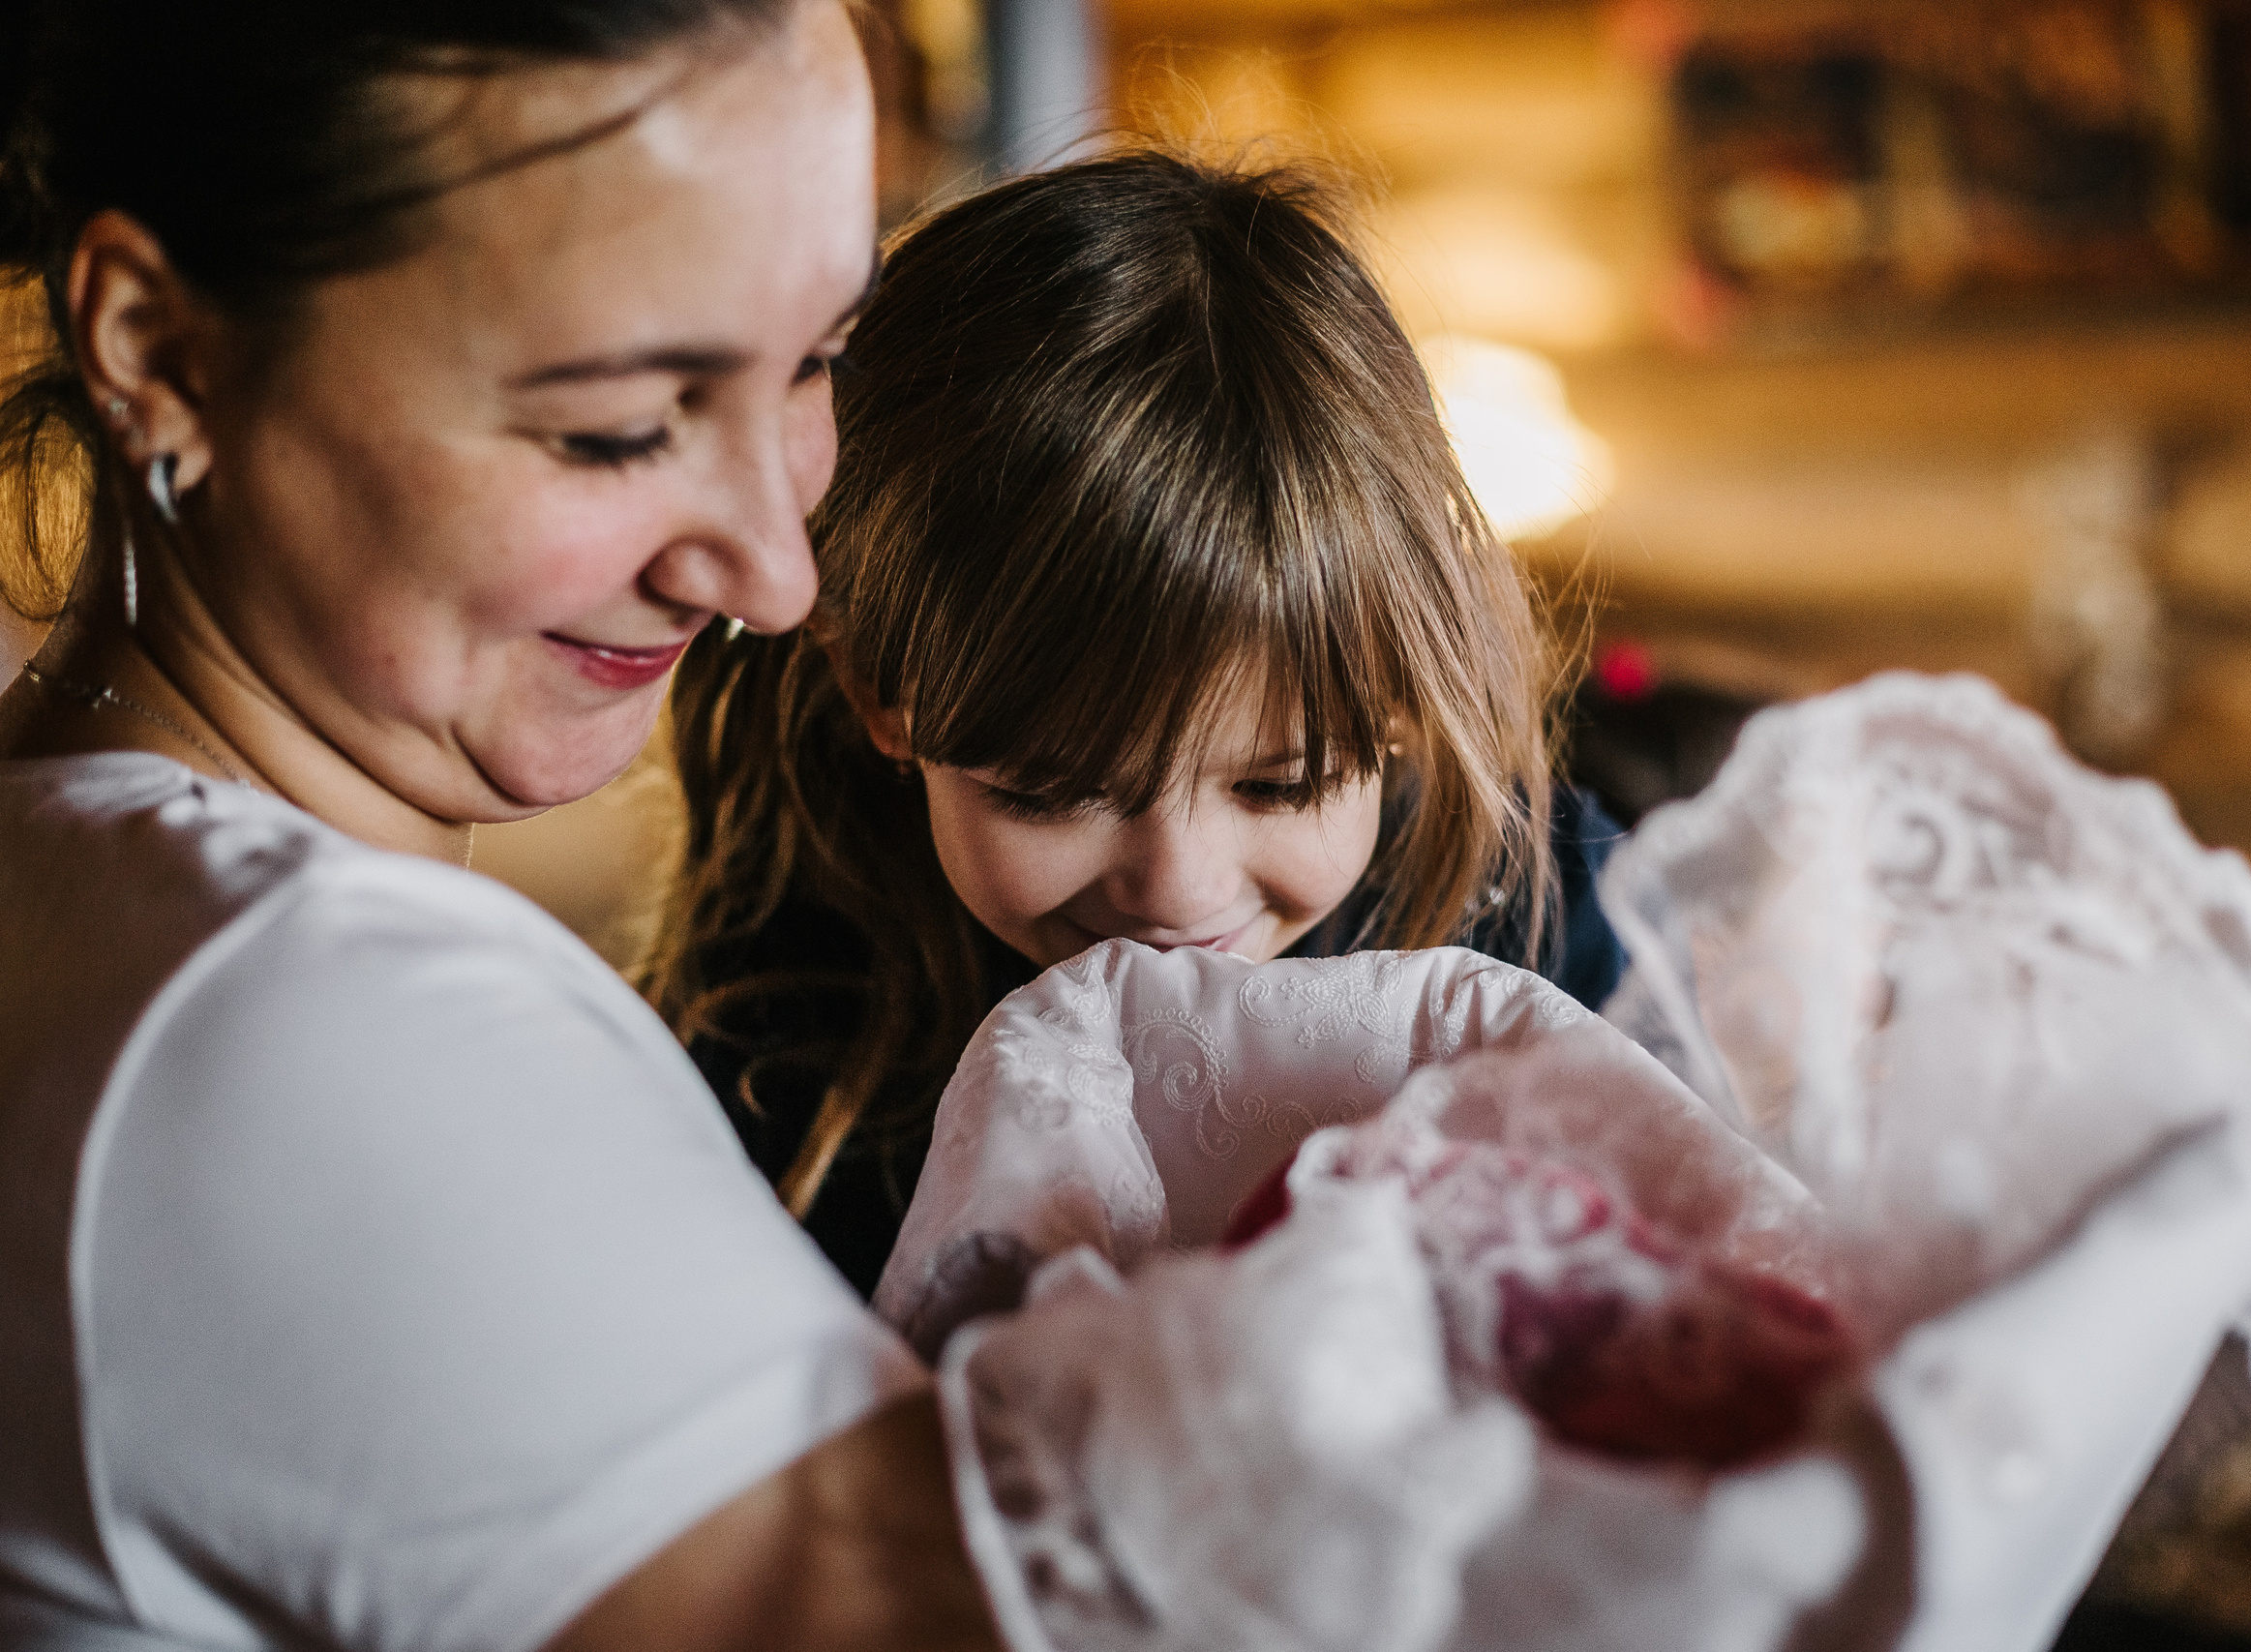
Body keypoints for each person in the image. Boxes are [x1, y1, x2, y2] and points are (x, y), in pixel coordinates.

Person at [1, 9, 1520, 1651]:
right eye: (619, 423)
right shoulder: (298, 1030)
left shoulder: (87, 891)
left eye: (813, 365)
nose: (779, 575)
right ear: (160, 346)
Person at [645, 151, 1632, 1301]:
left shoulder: (1535, 926)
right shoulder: (781, 1045)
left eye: (1282, 785)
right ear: (883, 694)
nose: (1175, 886)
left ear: (1402, 702)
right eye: (1054, 790)